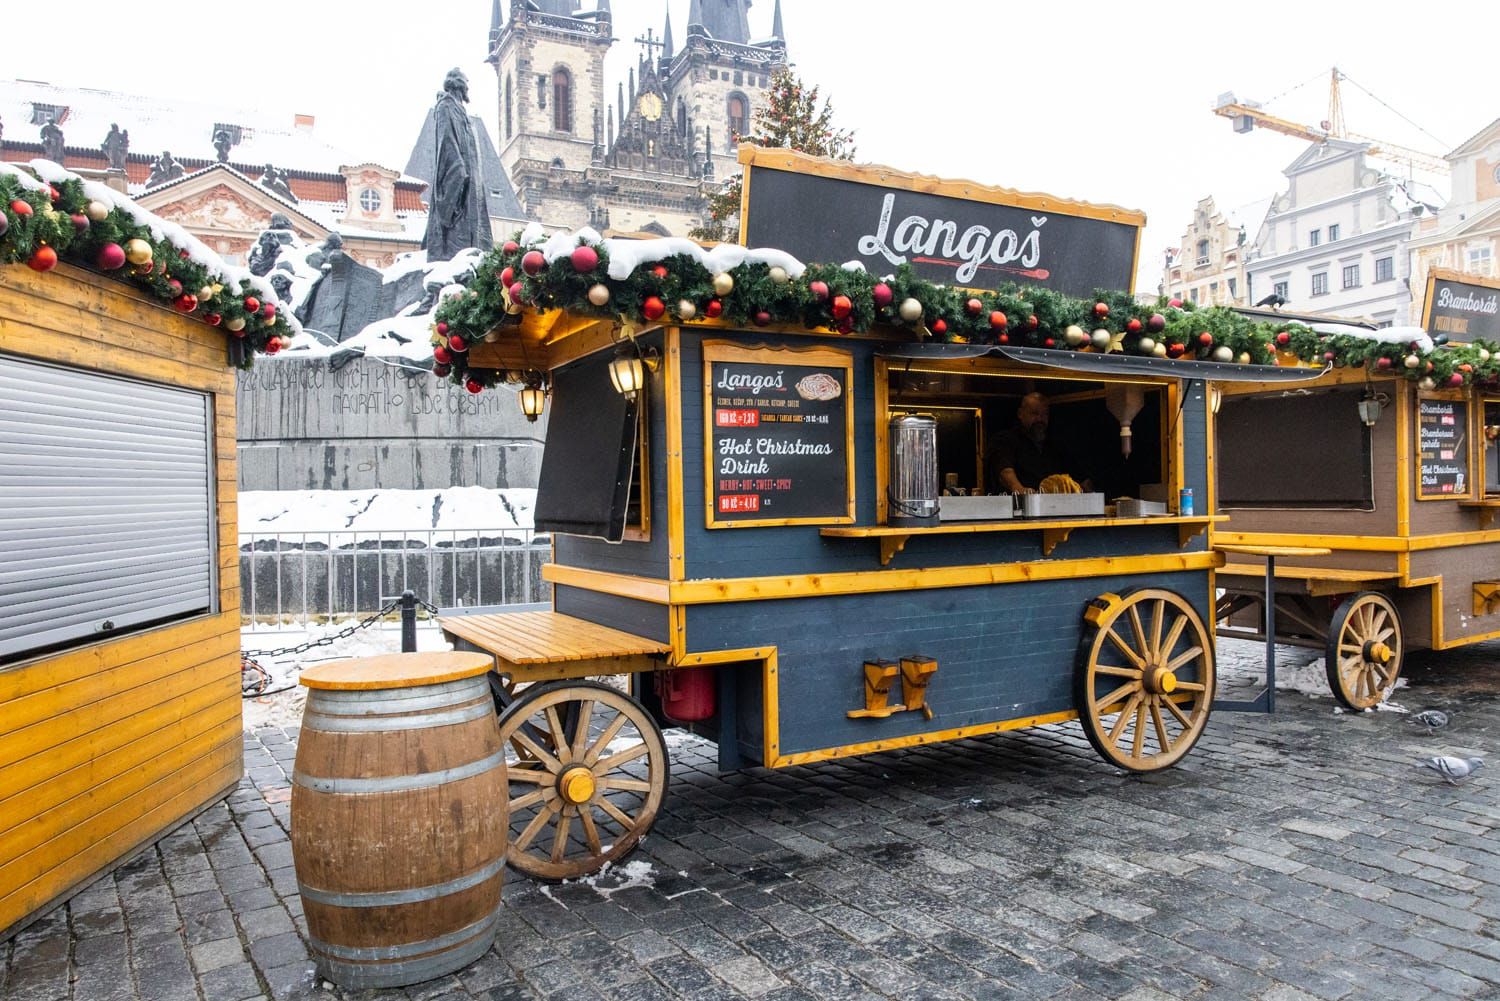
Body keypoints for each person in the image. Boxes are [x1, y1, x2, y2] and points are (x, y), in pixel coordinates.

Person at [987, 392, 1091, 494]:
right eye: (1034, 413)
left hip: (1054, 508)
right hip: (1017, 507)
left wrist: (1091, 494)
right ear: (1020, 414)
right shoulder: (1005, 439)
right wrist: (1019, 489)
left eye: (1044, 414)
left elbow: (1080, 475)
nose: (1040, 419)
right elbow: (1005, 470)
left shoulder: (1055, 445)